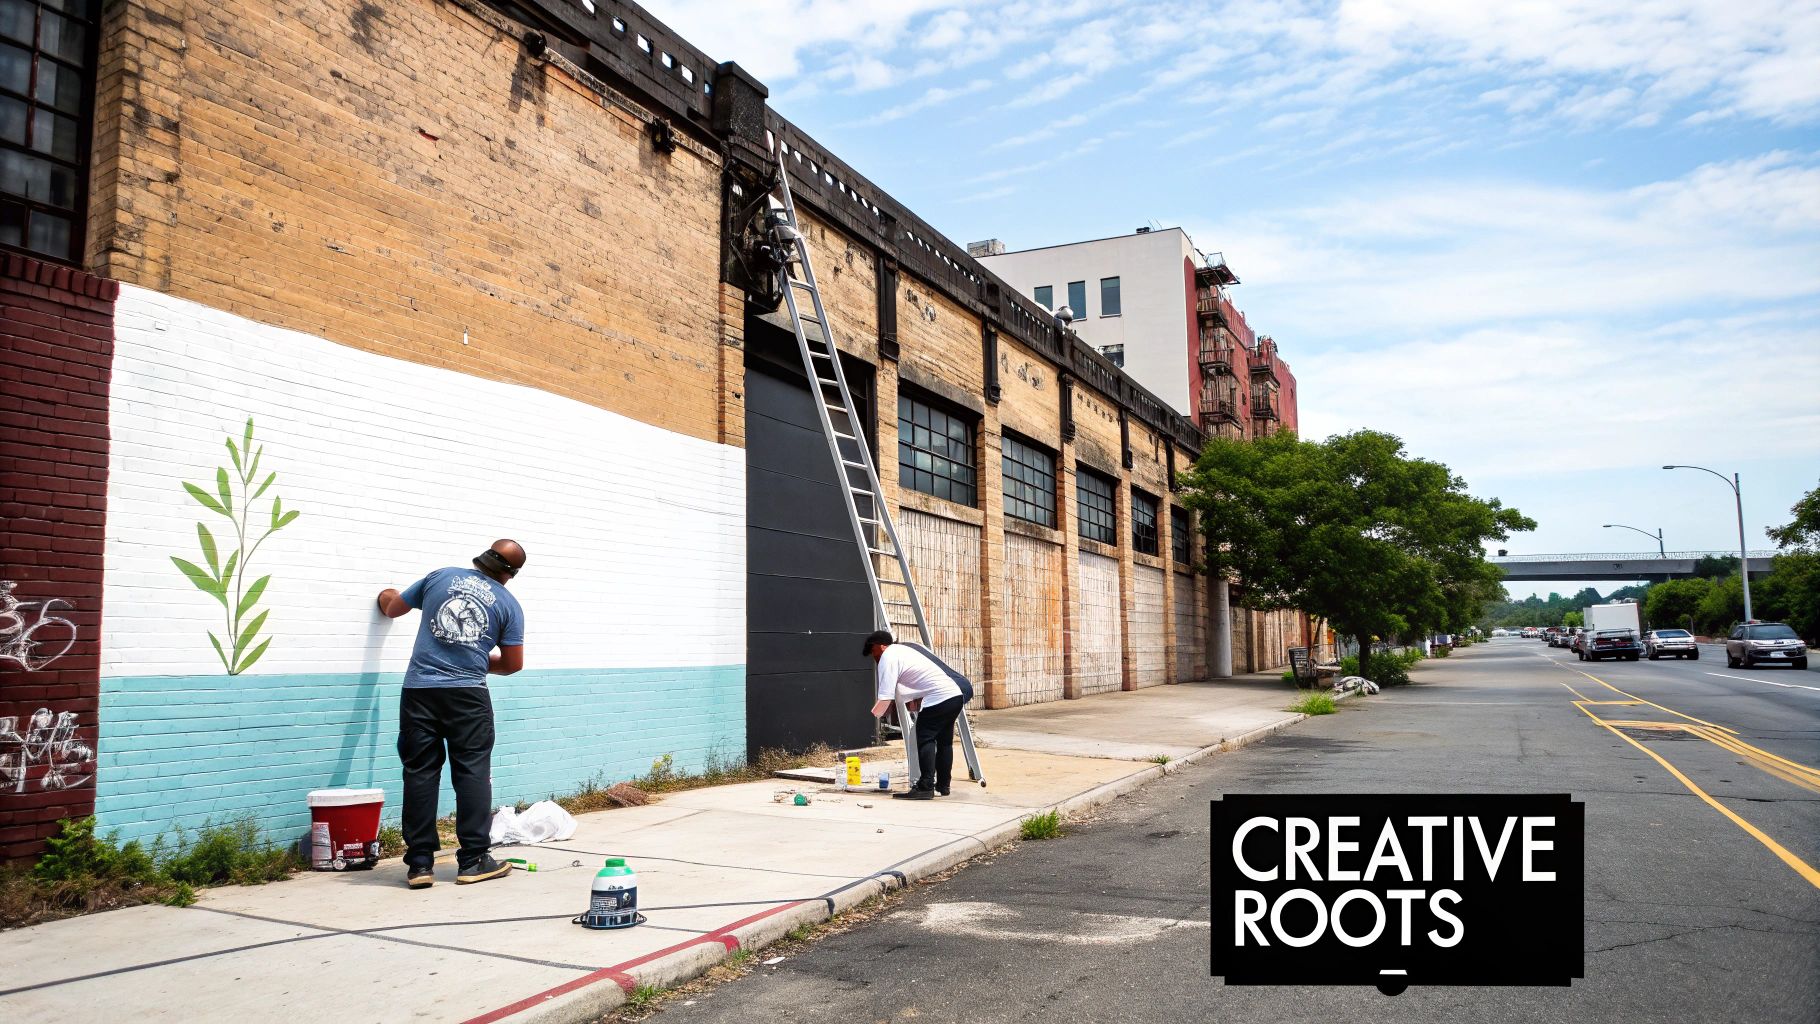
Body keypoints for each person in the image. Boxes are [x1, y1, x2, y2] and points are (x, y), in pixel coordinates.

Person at [376, 539, 527, 888]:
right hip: (468, 697)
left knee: (419, 773)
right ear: (510, 575)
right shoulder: (508, 605)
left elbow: (394, 607)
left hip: (419, 693)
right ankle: (473, 860)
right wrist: (472, 657)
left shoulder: (439, 577)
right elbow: (513, 664)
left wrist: (385, 595)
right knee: (472, 773)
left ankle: (419, 865)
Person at [862, 629, 967, 800]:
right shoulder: (903, 651)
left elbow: (886, 695)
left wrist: (874, 716)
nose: (874, 658)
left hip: (939, 698)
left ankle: (925, 786)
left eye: (873, 652)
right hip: (954, 695)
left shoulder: (887, 657)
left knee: (924, 737)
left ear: (880, 647)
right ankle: (943, 785)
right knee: (944, 742)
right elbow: (914, 685)